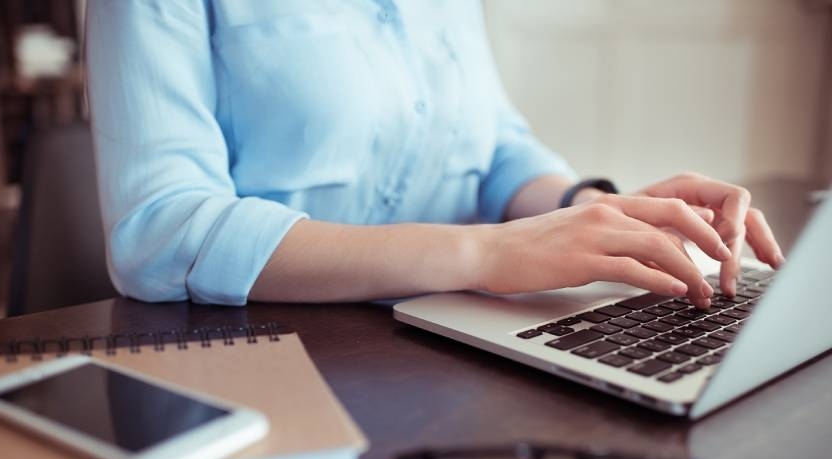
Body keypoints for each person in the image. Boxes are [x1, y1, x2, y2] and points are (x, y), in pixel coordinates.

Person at [86, 1, 783, 310]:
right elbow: (160, 227)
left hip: (455, 342)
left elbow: (496, 146)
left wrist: (594, 211)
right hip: (268, 366)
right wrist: (484, 255)